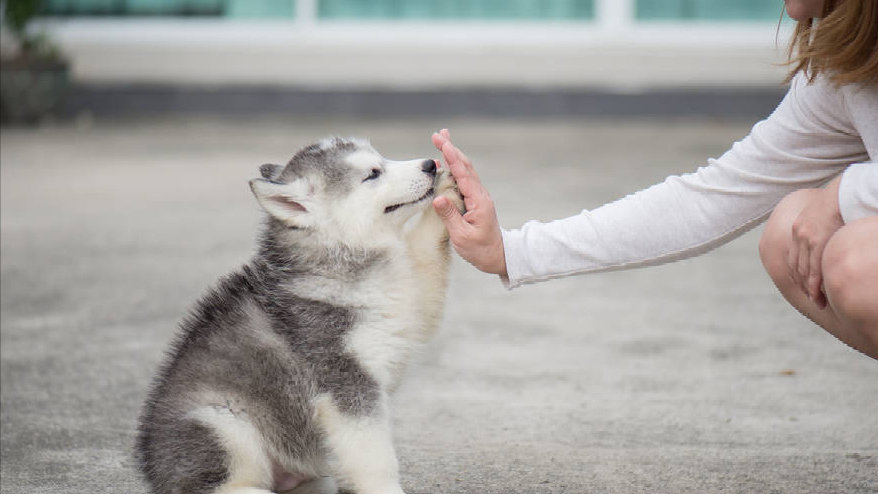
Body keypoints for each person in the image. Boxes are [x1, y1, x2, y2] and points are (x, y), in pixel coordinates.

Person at [430, 0, 878, 358]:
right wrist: (510, 251)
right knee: (788, 232)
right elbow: (709, 198)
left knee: (854, 261)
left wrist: (843, 194)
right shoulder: (846, 73)